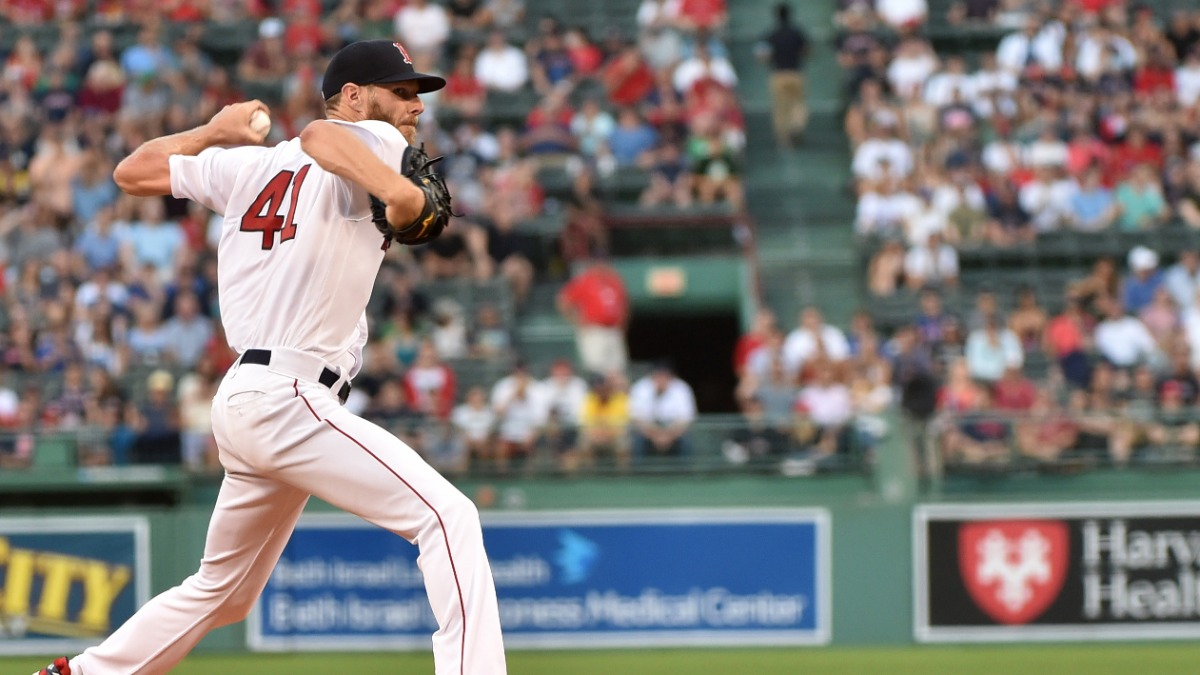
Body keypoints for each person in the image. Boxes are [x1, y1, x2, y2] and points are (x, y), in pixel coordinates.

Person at [34, 40, 507, 675]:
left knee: (223, 592)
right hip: (290, 395)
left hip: (247, 398)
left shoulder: (250, 168)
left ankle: (83, 672)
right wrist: (401, 193)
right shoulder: (370, 138)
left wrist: (212, 133)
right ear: (354, 96)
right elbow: (319, 136)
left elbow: (134, 171)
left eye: (416, 93)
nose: (414, 105)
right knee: (448, 517)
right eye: (401, 91)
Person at [757, 3, 809, 146]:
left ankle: (784, 138)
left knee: (781, 107)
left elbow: (762, 55)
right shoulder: (797, 32)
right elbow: (807, 50)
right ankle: (797, 126)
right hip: (795, 72)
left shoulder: (772, 34)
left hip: (779, 73)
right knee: (797, 104)